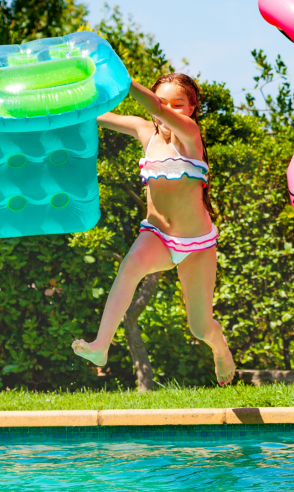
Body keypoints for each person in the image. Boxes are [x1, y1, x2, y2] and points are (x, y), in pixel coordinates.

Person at [71, 73, 236, 385]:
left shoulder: (190, 133)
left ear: (191, 108)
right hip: (157, 235)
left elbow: (158, 108)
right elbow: (96, 115)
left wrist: (124, 79)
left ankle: (220, 348)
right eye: (165, 102)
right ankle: (100, 346)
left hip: (196, 244)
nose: (171, 110)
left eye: (179, 104)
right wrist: (63, 105)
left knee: (200, 328)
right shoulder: (144, 130)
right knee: (130, 265)